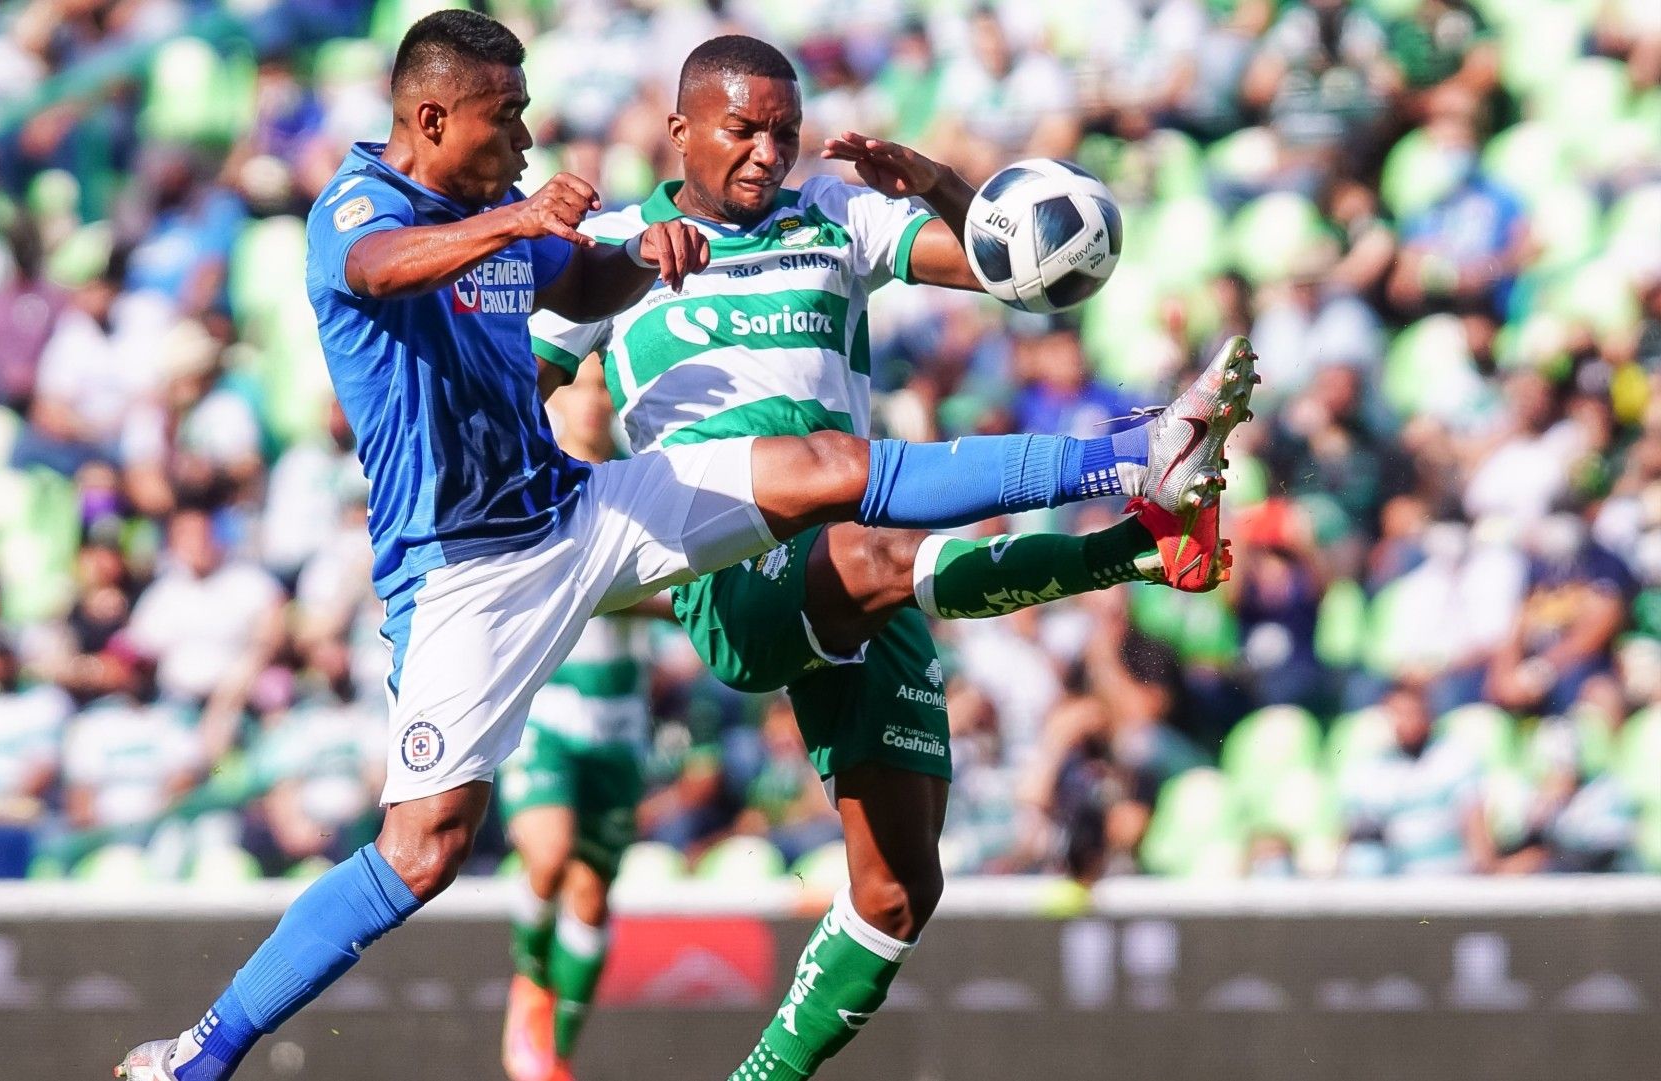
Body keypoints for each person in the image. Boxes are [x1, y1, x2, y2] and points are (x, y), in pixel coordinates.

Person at [117, 13, 1248, 1081]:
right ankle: (199, 1054)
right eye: (506, 117)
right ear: (431, 120)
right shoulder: (361, 206)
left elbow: (580, 278)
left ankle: (1135, 457)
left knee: (827, 468)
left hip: (576, 510)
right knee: (424, 850)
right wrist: (526, 222)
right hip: (464, 570)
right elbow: (378, 270)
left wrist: (643, 256)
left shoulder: (576, 215)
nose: (525, 138)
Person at [525, 36, 1257, 1080]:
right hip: (733, 566)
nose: (770, 152)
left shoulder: (835, 214)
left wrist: (946, 187)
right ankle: (1138, 471)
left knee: (899, 892)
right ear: (680, 129)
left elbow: (1026, 276)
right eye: (745, 130)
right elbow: (514, 396)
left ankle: (1146, 545)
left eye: (786, 131)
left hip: (856, 552)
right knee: (867, 523)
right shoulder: (610, 251)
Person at [498, 360, 661, 1081]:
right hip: (548, 709)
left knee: (592, 895)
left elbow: (682, 583)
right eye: (581, 385)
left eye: (605, 388)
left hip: (621, 722)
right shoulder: (529, 468)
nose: (594, 401)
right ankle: (531, 975)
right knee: (549, 855)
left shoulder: (644, 477)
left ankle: (557, 1054)